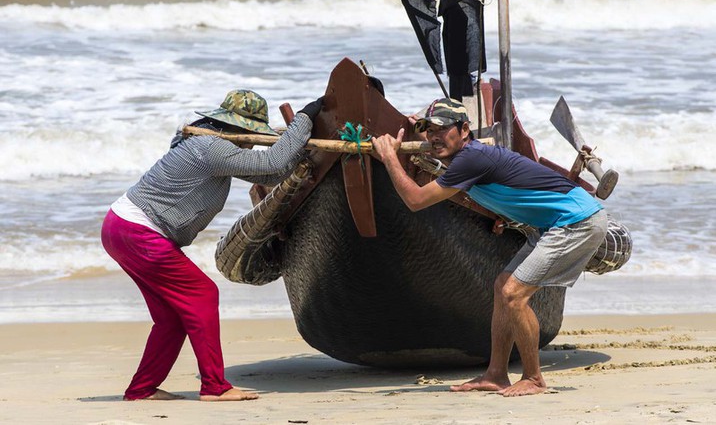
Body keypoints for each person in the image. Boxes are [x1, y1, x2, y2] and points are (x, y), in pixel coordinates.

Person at [371, 98, 607, 397]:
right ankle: (496, 374)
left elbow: (416, 200)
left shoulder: (471, 159)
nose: (433, 137)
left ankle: (534, 379)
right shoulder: (464, 160)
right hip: (551, 225)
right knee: (502, 287)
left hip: (577, 221)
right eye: (428, 130)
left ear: (465, 130)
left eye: (442, 130)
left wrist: (390, 157)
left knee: (513, 295)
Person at [101, 89, 323, 401]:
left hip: (121, 227)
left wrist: (306, 159)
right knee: (203, 294)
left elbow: (273, 174)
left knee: (171, 319)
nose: (252, 141)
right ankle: (215, 387)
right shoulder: (211, 148)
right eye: (251, 134)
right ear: (241, 129)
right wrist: (306, 116)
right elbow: (274, 159)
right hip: (139, 232)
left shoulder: (210, 149)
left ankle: (142, 390)